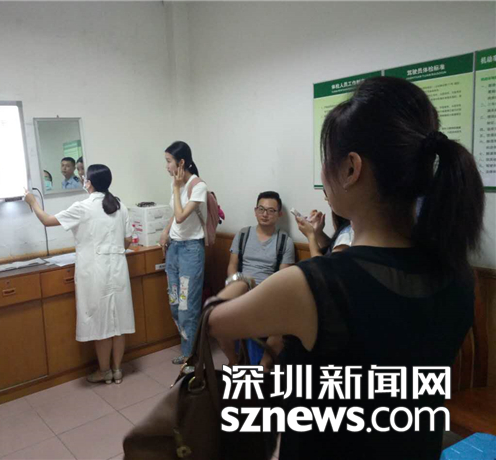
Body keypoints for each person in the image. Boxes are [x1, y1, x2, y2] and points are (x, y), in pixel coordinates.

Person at [207, 76, 484, 459]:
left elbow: (214, 322)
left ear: (352, 168)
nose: (323, 173)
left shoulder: (312, 284)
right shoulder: (461, 277)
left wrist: (240, 280)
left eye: (326, 159)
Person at [24, 164, 134, 384]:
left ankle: (104, 372)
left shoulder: (83, 207)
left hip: (95, 272)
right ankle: (117, 370)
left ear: (88, 183)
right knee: (118, 321)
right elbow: (128, 239)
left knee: (101, 323)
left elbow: (47, 221)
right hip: (118, 269)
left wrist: (32, 201)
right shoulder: (119, 205)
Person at [222, 191, 294, 365]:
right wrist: (234, 284)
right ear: (255, 211)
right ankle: (234, 362)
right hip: (241, 288)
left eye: (271, 210)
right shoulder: (243, 234)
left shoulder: (284, 241)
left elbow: (283, 277)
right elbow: (232, 265)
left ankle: (263, 368)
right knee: (216, 320)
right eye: (261, 209)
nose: (265, 214)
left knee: (280, 329)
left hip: (267, 294)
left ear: (279, 214)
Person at [159, 141, 207, 366]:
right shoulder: (176, 184)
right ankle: (188, 349)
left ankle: (191, 356)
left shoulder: (198, 186)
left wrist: (177, 188)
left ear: (181, 163)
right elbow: (174, 215)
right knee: (175, 303)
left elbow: (181, 216)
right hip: (174, 249)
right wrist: (165, 232)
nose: (166, 166)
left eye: (169, 161)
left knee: (188, 306)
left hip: (191, 250)